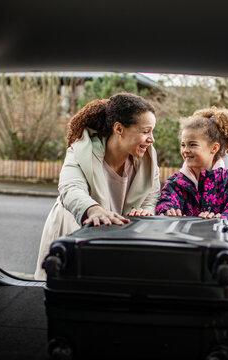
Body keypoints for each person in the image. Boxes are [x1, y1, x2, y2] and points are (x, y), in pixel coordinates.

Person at [34, 93, 161, 280]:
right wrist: (93, 210)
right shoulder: (80, 150)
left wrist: (145, 212)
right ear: (119, 128)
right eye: (145, 131)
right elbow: (70, 188)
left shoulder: (148, 157)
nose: (151, 139)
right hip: (75, 225)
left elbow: (151, 195)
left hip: (116, 232)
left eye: (152, 132)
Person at [155, 107, 228, 288]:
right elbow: (166, 201)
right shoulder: (177, 181)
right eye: (183, 144)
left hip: (221, 259)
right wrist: (168, 211)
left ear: (213, 148)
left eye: (192, 144)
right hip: (185, 256)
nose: (185, 150)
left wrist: (222, 221)